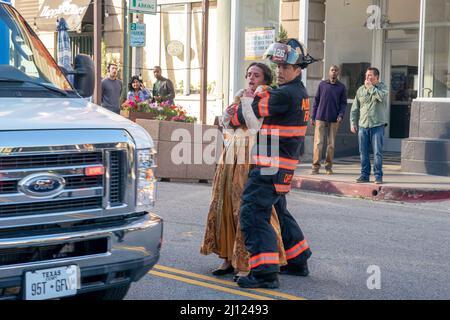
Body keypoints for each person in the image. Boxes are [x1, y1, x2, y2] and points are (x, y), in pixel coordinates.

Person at [228, 38, 316, 289]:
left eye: (284, 67)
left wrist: (234, 111)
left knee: (252, 213)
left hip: (269, 166)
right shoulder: (298, 93)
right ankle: (298, 259)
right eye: (277, 65)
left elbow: (249, 112)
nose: (279, 70)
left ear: (298, 69)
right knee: (280, 211)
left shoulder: (285, 94)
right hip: (281, 166)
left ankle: (264, 273)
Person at [200, 62, 287, 280]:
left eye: (256, 75)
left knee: (245, 208)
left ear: (265, 79)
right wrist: (230, 111)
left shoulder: (265, 97)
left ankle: (248, 261)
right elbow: (228, 127)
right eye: (248, 74)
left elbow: (254, 125)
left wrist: (247, 101)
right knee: (225, 205)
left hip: (252, 154)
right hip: (231, 154)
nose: (250, 78)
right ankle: (227, 257)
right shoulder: (242, 97)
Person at [350, 67, 388, 184]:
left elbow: (381, 97)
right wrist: (353, 122)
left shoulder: (382, 88)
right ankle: (364, 175)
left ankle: (378, 176)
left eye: (370, 75)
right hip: (363, 125)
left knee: (377, 152)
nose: (367, 77)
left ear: (376, 77)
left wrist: (371, 88)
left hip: (377, 125)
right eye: (366, 75)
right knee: (363, 152)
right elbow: (355, 108)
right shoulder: (361, 90)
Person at [311, 65, 347, 175]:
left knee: (331, 144)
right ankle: (315, 167)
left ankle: (328, 166)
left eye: (336, 70)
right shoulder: (322, 84)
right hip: (320, 117)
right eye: (332, 70)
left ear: (338, 73)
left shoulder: (341, 87)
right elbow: (316, 100)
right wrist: (313, 116)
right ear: (329, 72)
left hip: (334, 118)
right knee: (318, 143)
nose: (334, 72)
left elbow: (343, 103)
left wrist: (340, 115)